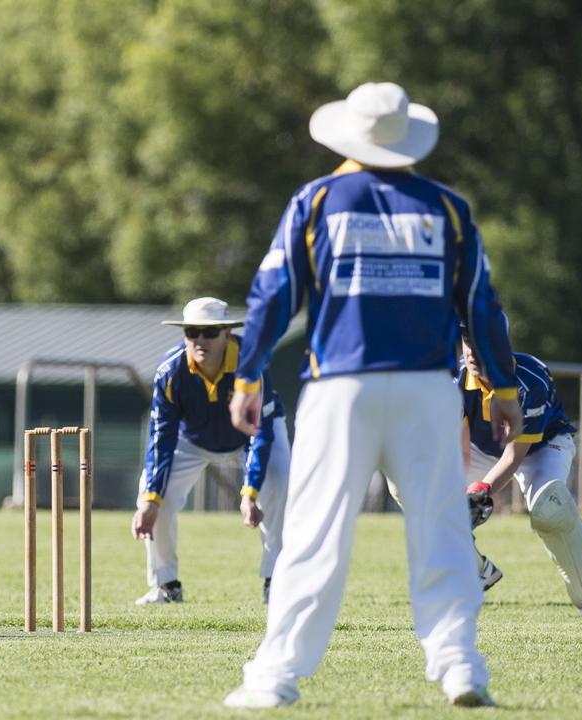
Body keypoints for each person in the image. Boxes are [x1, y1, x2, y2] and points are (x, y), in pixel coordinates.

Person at [222, 82, 523, 709]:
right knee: (440, 525)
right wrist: (500, 385)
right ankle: (460, 663)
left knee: (313, 532)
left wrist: (248, 376)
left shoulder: (318, 199)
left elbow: (272, 295)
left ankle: (275, 678)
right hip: (428, 387)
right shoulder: (449, 208)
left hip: (341, 386)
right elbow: (482, 305)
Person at [131, 297, 290, 606]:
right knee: (150, 497)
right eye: (192, 332)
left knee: (282, 479)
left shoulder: (252, 365)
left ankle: (277, 582)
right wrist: (152, 499)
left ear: (227, 334)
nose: (200, 340)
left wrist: (250, 491)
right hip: (191, 440)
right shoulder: (169, 372)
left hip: (250, 436)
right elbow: (161, 438)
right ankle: (166, 586)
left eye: (210, 332)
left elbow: (261, 434)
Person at [459, 338, 582, 619]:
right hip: (483, 448)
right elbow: (459, 450)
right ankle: (476, 572)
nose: (471, 350)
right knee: (424, 495)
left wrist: (482, 490)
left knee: (549, 507)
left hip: (541, 446)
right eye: (467, 341)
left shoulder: (529, 379)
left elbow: (515, 455)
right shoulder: (451, 379)